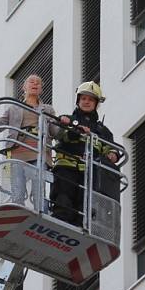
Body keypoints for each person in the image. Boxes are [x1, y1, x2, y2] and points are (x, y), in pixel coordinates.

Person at [51, 81, 119, 226]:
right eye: (83, 99)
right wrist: (75, 130)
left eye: (90, 99)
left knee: (86, 203)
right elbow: (59, 134)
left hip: (90, 173)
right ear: (78, 100)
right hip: (67, 168)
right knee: (64, 198)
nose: (86, 102)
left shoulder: (103, 131)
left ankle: (82, 229)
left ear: (96, 103)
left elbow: (111, 148)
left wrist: (113, 155)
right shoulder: (67, 119)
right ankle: (60, 224)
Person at [0, 75, 58, 205]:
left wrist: (66, 126)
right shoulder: (14, 108)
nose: (35, 84)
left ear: (41, 89)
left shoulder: (48, 109)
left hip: (39, 151)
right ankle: (18, 212)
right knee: (17, 190)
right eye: (31, 82)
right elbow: (0, 124)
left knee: (38, 190)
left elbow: (55, 131)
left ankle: (41, 215)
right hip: (18, 151)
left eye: (38, 83)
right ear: (24, 87)